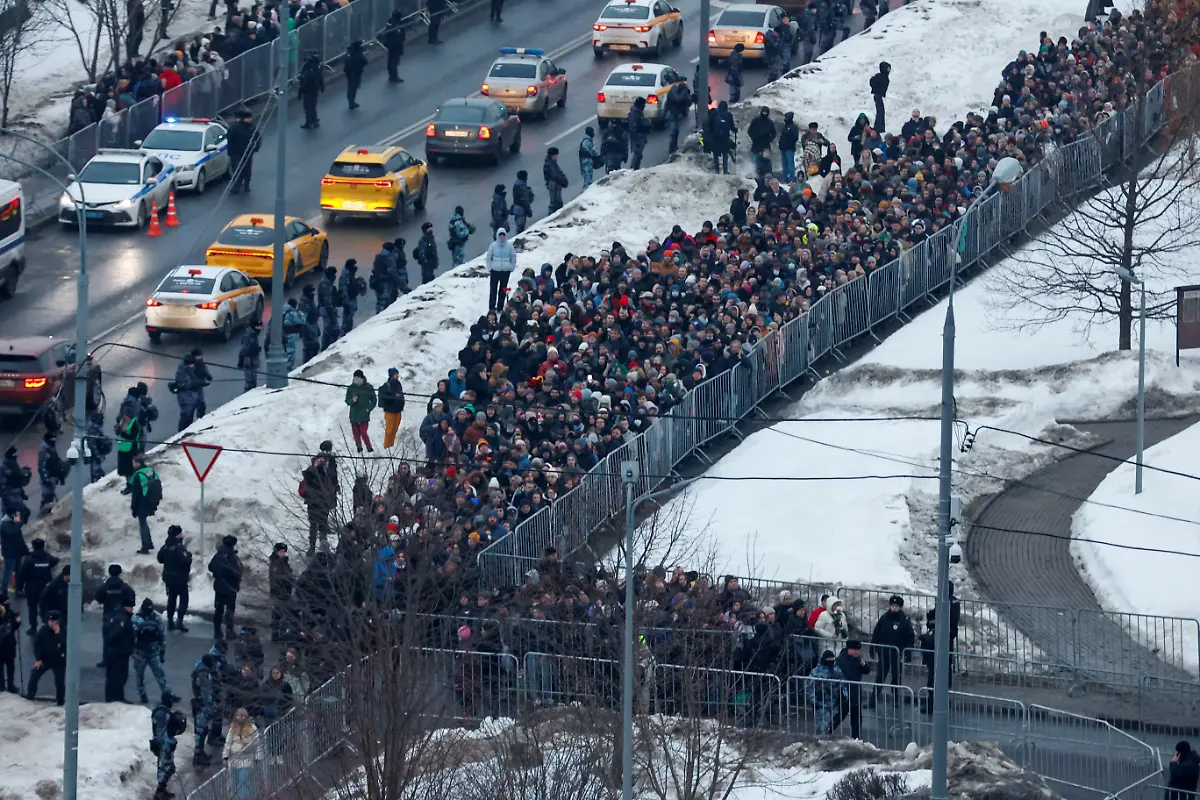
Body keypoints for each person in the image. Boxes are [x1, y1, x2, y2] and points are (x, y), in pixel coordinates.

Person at [870, 594, 915, 708]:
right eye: (893, 606)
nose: (894, 608)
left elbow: (910, 637)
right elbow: (877, 633)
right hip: (884, 652)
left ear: (900, 607)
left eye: (896, 606)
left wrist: (908, 652)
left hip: (897, 653)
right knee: (880, 677)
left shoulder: (904, 620)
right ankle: (872, 700)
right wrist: (873, 647)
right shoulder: (885, 618)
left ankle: (896, 699)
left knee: (896, 677)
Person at [133, 598, 170, 702]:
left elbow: (162, 635)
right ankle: (142, 694)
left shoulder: (155, 618)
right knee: (140, 675)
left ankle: (166, 693)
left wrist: (162, 650)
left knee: (159, 674)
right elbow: (132, 637)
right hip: (141, 652)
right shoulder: (138, 619)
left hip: (152, 651)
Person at [16, 538, 56, 635]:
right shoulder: (48, 557)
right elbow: (55, 561)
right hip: (46, 588)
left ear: (33, 547)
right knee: (46, 607)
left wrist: (19, 587)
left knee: (32, 608)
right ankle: (48, 625)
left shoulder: (28, 559)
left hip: (32, 588)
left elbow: (21, 574)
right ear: (43, 546)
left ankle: (33, 627)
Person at [25, 609, 65, 704]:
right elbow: (37, 645)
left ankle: (60, 701)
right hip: (45, 658)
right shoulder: (43, 630)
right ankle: (30, 695)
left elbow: (64, 645)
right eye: (50, 621)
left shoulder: (63, 630)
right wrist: (38, 659)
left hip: (59, 660)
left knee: (59, 681)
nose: (51, 623)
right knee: (35, 674)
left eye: (54, 621)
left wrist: (58, 634)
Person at [157, 525, 192, 632]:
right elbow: (185, 560)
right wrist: (189, 556)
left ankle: (170, 621)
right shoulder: (179, 548)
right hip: (180, 578)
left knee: (171, 599)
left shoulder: (165, 546)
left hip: (168, 577)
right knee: (183, 600)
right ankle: (179, 621)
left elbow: (160, 559)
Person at [208, 535, 243, 640]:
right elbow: (238, 571)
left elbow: (211, 567)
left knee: (218, 610)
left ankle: (217, 631)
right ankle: (229, 631)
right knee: (230, 610)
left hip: (219, 586)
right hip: (230, 586)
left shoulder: (218, 555)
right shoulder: (232, 557)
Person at [151, 691, 185, 800]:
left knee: (166, 767)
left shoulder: (162, 711)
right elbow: (161, 732)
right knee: (168, 767)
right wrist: (167, 745)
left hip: (163, 743)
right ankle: (159, 792)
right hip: (163, 744)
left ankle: (161, 790)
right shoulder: (162, 713)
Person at [834, 640, 871, 740]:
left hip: (855, 692)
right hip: (844, 693)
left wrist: (864, 664)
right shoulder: (841, 660)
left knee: (856, 718)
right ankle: (827, 731)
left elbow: (866, 670)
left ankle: (856, 738)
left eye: (858, 650)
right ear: (849, 649)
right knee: (840, 714)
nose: (857, 652)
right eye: (855, 650)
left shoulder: (858, 660)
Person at [224, 706, 261, 796]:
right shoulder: (233, 728)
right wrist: (225, 756)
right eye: (239, 716)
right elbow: (228, 743)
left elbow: (257, 743)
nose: (241, 718)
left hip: (246, 759)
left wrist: (258, 757)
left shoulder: (252, 728)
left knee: (243, 781)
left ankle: (244, 798)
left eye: (243, 716)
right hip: (234, 759)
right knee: (234, 783)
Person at [806, 649, 845, 735]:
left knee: (829, 726)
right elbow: (809, 688)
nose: (831, 662)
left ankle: (824, 740)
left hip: (834, 704)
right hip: (820, 704)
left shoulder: (837, 671)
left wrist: (844, 696)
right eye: (829, 660)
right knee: (822, 727)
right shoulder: (816, 672)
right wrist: (814, 701)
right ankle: (820, 741)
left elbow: (843, 684)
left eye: (832, 660)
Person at [102, 600, 135, 702]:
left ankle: (117, 697)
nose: (132, 609)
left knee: (119, 676)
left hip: (119, 652)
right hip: (118, 652)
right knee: (116, 676)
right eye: (131, 607)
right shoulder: (122, 618)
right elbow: (116, 634)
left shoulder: (121, 616)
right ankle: (113, 698)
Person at [128, 454, 161, 554]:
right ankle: (149, 543)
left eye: (134, 463)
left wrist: (133, 507)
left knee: (142, 524)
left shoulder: (137, 475)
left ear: (138, 463)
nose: (133, 464)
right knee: (144, 522)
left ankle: (145, 547)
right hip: (151, 500)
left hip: (142, 503)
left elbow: (135, 494)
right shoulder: (151, 471)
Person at [173, 349, 211, 430]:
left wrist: (207, 376)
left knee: (201, 407)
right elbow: (183, 384)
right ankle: (183, 431)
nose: (199, 357)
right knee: (187, 415)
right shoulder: (182, 371)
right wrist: (197, 383)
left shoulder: (198, 364)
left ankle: (200, 424)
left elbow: (203, 370)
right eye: (198, 356)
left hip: (196, 393)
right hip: (186, 396)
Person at [191, 653, 218, 766]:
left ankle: (200, 752)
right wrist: (204, 701)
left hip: (205, 705)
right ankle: (197, 756)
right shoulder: (202, 673)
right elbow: (202, 689)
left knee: (204, 729)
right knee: (200, 730)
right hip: (202, 706)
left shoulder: (203, 670)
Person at [226, 110, 261, 195]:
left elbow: (258, 138)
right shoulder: (235, 127)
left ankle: (246, 185)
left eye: (250, 118)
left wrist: (255, 147)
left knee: (247, 170)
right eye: (248, 118)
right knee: (237, 169)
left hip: (248, 152)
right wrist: (231, 151)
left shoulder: (252, 127)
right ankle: (236, 186)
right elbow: (229, 137)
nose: (250, 120)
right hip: (236, 152)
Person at [345, 369, 377, 453]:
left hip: (364, 414)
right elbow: (347, 401)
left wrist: (368, 409)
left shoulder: (368, 387)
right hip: (354, 414)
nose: (356, 379)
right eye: (355, 378)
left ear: (362, 378)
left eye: (358, 377)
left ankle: (369, 448)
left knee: (363, 432)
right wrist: (352, 400)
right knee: (356, 433)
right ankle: (359, 448)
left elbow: (374, 400)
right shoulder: (351, 388)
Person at [485, 227, 517, 312]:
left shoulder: (509, 246)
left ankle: (500, 307)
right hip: (495, 271)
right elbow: (489, 257)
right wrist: (490, 268)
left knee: (503, 290)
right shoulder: (493, 246)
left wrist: (511, 267)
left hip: (505, 271)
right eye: (500, 235)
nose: (502, 237)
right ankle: (492, 307)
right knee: (493, 289)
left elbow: (513, 257)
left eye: (503, 235)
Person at [268, 543, 294, 643]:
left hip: (285, 592)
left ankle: (279, 634)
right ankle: (277, 635)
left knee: (281, 614)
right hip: (279, 592)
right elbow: (276, 578)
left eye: (284, 552)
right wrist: (288, 579)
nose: (283, 553)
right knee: (279, 614)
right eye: (280, 552)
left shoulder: (283, 562)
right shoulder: (276, 563)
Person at [37, 431, 66, 514]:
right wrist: (46, 480)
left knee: (50, 497)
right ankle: (42, 514)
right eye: (52, 438)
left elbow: (56, 461)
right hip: (48, 477)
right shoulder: (44, 450)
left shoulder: (51, 447)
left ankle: (47, 513)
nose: (54, 440)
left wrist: (61, 474)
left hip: (53, 477)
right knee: (47, 497)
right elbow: (41, 467)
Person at [378, 367, 407, 449]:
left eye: (397, 374)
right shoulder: (386, 385)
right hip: (389, 411)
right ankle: (386, 446)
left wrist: (401, 404)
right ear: (391, 375)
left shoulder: (398, 384)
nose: (397, 376)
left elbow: (401, 395)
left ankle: (391, 445)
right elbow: (384, 397)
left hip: (398, 410)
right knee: (389, 430)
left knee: (395, 429)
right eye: (395, 374)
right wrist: (394, 397)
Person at [0, 506, 26, 597]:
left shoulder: (13, 522)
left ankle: (18, 590)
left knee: (18, 571)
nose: (18, 515)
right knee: (8, 572)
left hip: (17, 551)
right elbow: (13, 532)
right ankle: (4, 592)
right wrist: (17, 522)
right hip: (9, 553)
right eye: (17, 514)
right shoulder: (4, 524)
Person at [706, 100, 735, 174]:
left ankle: (716, 170)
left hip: (715, 138)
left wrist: (711, 133)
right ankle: (725, 170)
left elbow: (709, 124)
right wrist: (735, 130)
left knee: (715, 154)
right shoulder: (729, 115)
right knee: (725, 154)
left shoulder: (714, 113)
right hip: (725, 138)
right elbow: (732, 126)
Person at [299, 50, 324, 129]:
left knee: (307, 106)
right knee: (313, 105)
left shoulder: (307, 66)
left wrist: (301, 91)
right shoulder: (317, 65)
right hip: (315, 89)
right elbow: (321, 77)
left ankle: (308, 122)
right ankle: (314, 120)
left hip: (308, 89)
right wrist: (322, 87)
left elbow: (304, 79)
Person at [84, 411, 112, 483]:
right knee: (95, 469)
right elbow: (92, 445)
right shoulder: (94, 430)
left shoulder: (94, 428)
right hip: (95, 455)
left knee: (95, 468)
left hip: (96, 453)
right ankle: (96, 480)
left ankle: (97, 478)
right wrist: (97, 456)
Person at [317, 266, 341, 350]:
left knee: (334, 330)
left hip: (329, 309)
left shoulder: (328, 282)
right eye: (333, 274)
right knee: (329, 330)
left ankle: (329, 346)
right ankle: (325, 348)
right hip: (327, 310)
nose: (335, 276)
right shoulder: (325, 285)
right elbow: (327, 302)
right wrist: (331, 314)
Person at [664, 82, 691, 154]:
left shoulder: (682, 93)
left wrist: (688, 97)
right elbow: (678, 99)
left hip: (676, 114)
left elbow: (688, 103)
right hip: (670, 113)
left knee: (676, 132)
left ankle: (674, 148)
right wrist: (684, 93)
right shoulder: (673, 91)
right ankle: (671, 150)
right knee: (673, 131)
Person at [371, 242, 398, 313]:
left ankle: (378, 316)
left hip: (377, 283)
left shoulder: (378, 257)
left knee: (380, 302)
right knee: (385, 303)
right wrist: (400, 284)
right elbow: (393, 272)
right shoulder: (389, 258)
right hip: (386, 283)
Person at [380, 10, 406, 83]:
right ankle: (394, 76)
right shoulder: (396, 24)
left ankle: (391, 75)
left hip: (390, 44)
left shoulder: (390, 22)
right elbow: (399, 34)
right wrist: (402, 39)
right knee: (394, 61)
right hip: (396, 45)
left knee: (391, 60)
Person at [339, 259, 364, 334]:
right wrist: (347, 303)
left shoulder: (350, 274)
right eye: (353, 265)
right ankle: (344, 335)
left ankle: (348, 332)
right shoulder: (345, 276)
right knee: (347, 320)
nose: (355, 267)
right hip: (349, 300)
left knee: (349, 320)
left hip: (352, 299)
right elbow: (343, 290)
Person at [238, 318, 262, 393]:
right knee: (250, 380)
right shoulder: (249, 334)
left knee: (252, 378)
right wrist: (241, 360)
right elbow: (245, 349)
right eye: (257, 327)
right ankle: (247, 394)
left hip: (252, 357)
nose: (259, 329)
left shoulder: (251, 332)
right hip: (249, 358)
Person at [281, 298, 305, 370]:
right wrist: (300, 314)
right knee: (290, 353)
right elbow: (302, 321)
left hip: (283, 334)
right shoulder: (292, 313)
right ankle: (288, 370)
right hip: (290, 335)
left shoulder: (283, 311)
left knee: (285, 351)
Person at [626, 98, 650, 170]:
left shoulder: (638, 112)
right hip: (637, 137)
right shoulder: (635, 113)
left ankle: (635, 168)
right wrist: (644, 126)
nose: (644, 106)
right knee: (638, 154)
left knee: (638, 154)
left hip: (639, 136)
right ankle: (633, 169)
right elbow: (634, 126)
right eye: (643, 104)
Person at [0, 598, 18, 692]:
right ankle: (2, 686)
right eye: (6, 602)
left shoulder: (11, 613)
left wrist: (17, 622)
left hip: (10, 645)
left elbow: (15, 627)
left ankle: (10, 685)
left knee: (10, 667)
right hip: (2, 645)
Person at [544, 147, 569, 212]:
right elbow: (555, 175)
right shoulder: (550, 164)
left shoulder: (551, 163)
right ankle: (552, 215)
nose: (557, 157)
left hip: (554, 184)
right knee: (555, 202)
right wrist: (563, 181)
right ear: (553, 155)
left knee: (556, 202)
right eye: (556, 155)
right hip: (554, 185)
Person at [344, 40, 367, 109]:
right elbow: (365, 61)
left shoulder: (349, 53)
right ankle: (351, 102)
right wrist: (360, 66)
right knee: (353, 88)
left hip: (350, 73)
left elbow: (346, 63)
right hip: (356, 72)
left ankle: (351, 102)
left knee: (351, 87)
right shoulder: (357, 52)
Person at [778, 111, 800, 183]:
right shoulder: (785, 126)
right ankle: (784, 178)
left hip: (789, 148)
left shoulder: (793, 127)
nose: (785, 118)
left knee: (790, 165)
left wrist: (788, 141)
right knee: (784, 165)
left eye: (786, 117)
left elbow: (795, 137)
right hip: (783, 148)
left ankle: (791, 178)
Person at [870, 61, 890, 133]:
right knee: (880, 112)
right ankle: (878, 127)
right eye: (888, 68)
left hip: (878, 95)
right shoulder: (881, 76)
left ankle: (880, 127)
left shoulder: (884, 76)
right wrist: (875, 89)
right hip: (877, 95)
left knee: (881, 111)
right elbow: (872, 81)